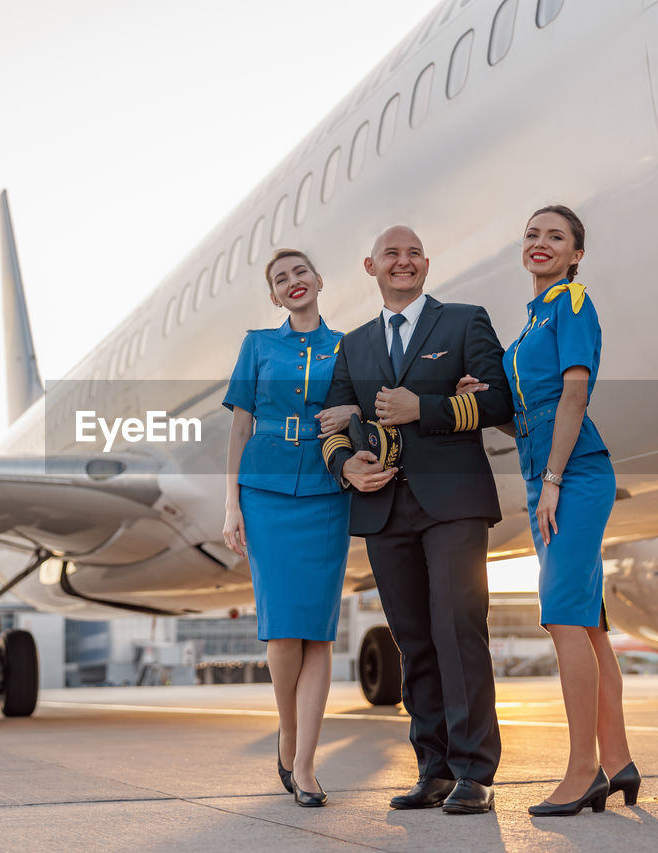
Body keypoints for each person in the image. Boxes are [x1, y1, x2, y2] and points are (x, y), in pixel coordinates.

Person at [320, 226, 513, 814]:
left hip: (453, 503)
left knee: (459, 630)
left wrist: (421, 408)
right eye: (390, 255)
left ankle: (474, 772)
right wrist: (347, 468)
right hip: (385, 509)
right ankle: (432, 769)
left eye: (411, 254)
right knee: (414, 642)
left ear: (426, 263)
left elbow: (501, 400)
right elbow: (329, 428)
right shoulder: (352, 346)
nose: (402, 263)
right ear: (370, 266)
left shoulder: (464, 321)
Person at [463, 204, 637, 816]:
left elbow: (575, 390)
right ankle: (617, 762)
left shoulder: (572, 302)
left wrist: (556, 479)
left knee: (563, 616)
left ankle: (582, 771)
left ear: (575, 253)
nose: (541, 243)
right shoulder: (529, 325)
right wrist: (487, 399)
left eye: (555, 236)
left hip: (576, 474)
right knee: (588, 623)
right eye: (533, 234)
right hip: (548, 475)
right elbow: (525, 420)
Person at [222, 248, 357, 808]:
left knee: (318, 632)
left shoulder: (349, 347)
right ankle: (287, 729)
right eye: (281, 279)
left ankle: (304, 764)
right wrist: (230, 503)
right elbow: (240, 425)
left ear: (320, 281)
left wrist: (349, 415)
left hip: (327, 491)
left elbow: (368, 409)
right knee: (282, 630)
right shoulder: (258, 344)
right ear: (275, 296)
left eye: (301, 272)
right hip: (265, 491)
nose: (293, 282)